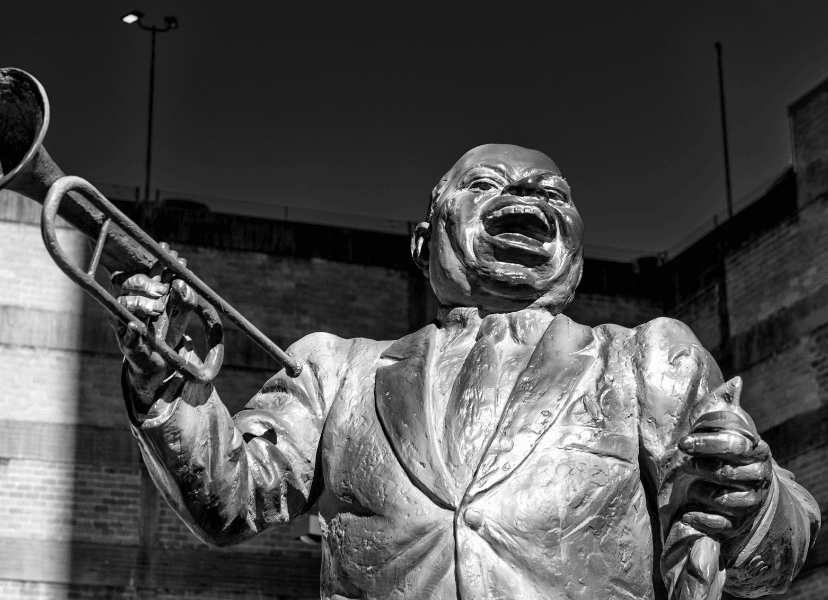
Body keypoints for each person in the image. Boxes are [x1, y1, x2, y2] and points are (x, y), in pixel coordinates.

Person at [112, 144, 819, 599]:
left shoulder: (646, 361)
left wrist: (752, 505)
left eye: (552, 193)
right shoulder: (334, 371)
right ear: (425, 243)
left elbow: (789, 551)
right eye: (487, 184)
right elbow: (228, 504)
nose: (528, 199)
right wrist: (164, 386)